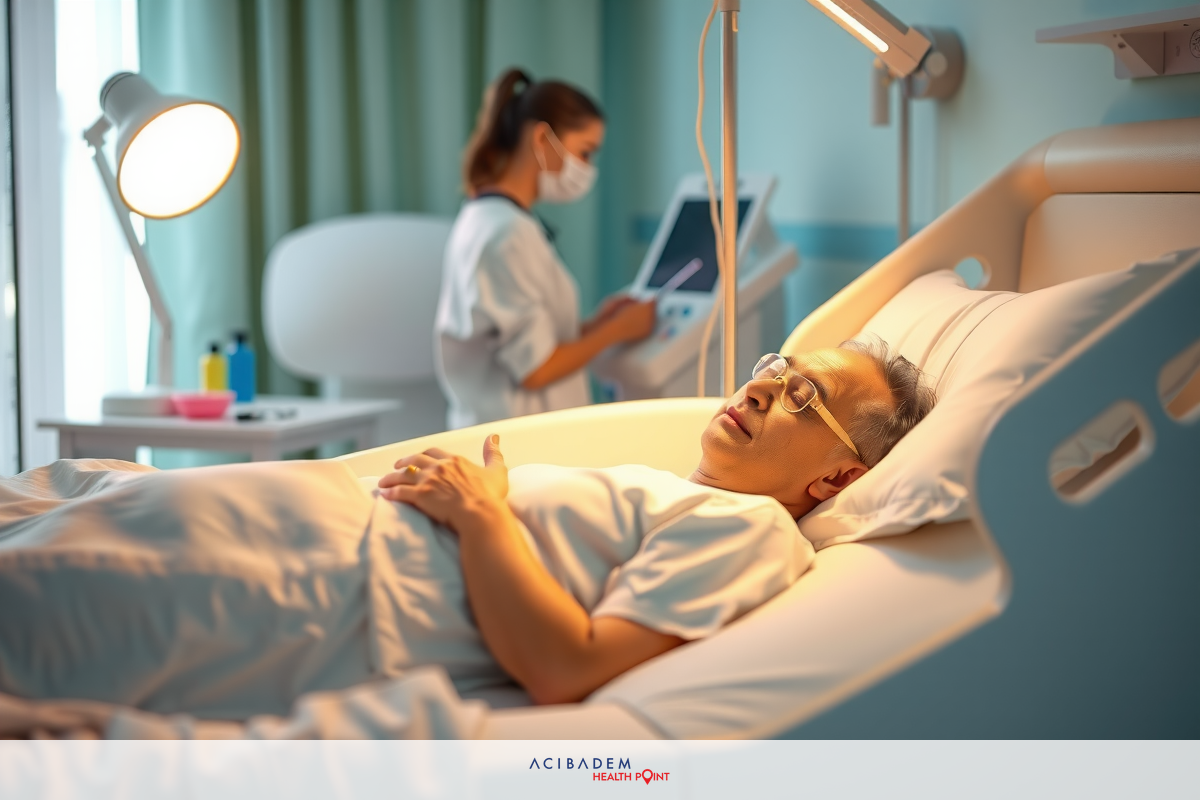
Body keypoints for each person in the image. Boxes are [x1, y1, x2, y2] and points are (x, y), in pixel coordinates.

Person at [0, 340, 934, 718]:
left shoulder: (752, 533)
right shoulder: (662, 481)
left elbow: (567, 667)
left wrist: (486, 517)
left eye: (804, 396)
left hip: (312, 586)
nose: (764, 386)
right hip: (301, 516)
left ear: (839, 476)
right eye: (776, 365)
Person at [436, 68, 656, 429]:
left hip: (504, 431)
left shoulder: (491, 218)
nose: (587, 169)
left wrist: (594, 325)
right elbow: (535, 369)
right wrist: (616, 331)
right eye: (585, 153)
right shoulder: (506, 234)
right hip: (515, 443)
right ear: (542, 138)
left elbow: (523, 339)